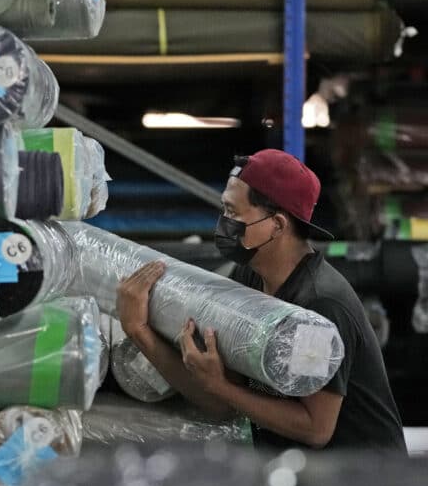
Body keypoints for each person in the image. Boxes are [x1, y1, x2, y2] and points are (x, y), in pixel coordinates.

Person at [116, 149, 406, 452]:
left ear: (277, 225)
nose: (223, 223)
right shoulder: (251, 278)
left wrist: (220, 386)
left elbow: (316, 428)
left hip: (363, 481)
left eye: (233, 212)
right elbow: (221, 401)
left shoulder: (319, 306)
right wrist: (138, 330)